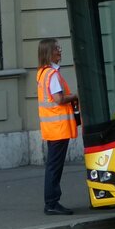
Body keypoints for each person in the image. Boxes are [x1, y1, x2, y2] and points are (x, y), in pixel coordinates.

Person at [36, 38, 80, 215]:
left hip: (52, 127)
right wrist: (76, 96)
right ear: (49, 53)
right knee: (54, 167)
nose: (60, 51)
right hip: (58, 127)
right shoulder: (52, 75)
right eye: (57, 49)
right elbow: (59, 99)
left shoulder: (42, 73)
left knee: (53, 166)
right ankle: (52, 203)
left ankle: (51, 202)